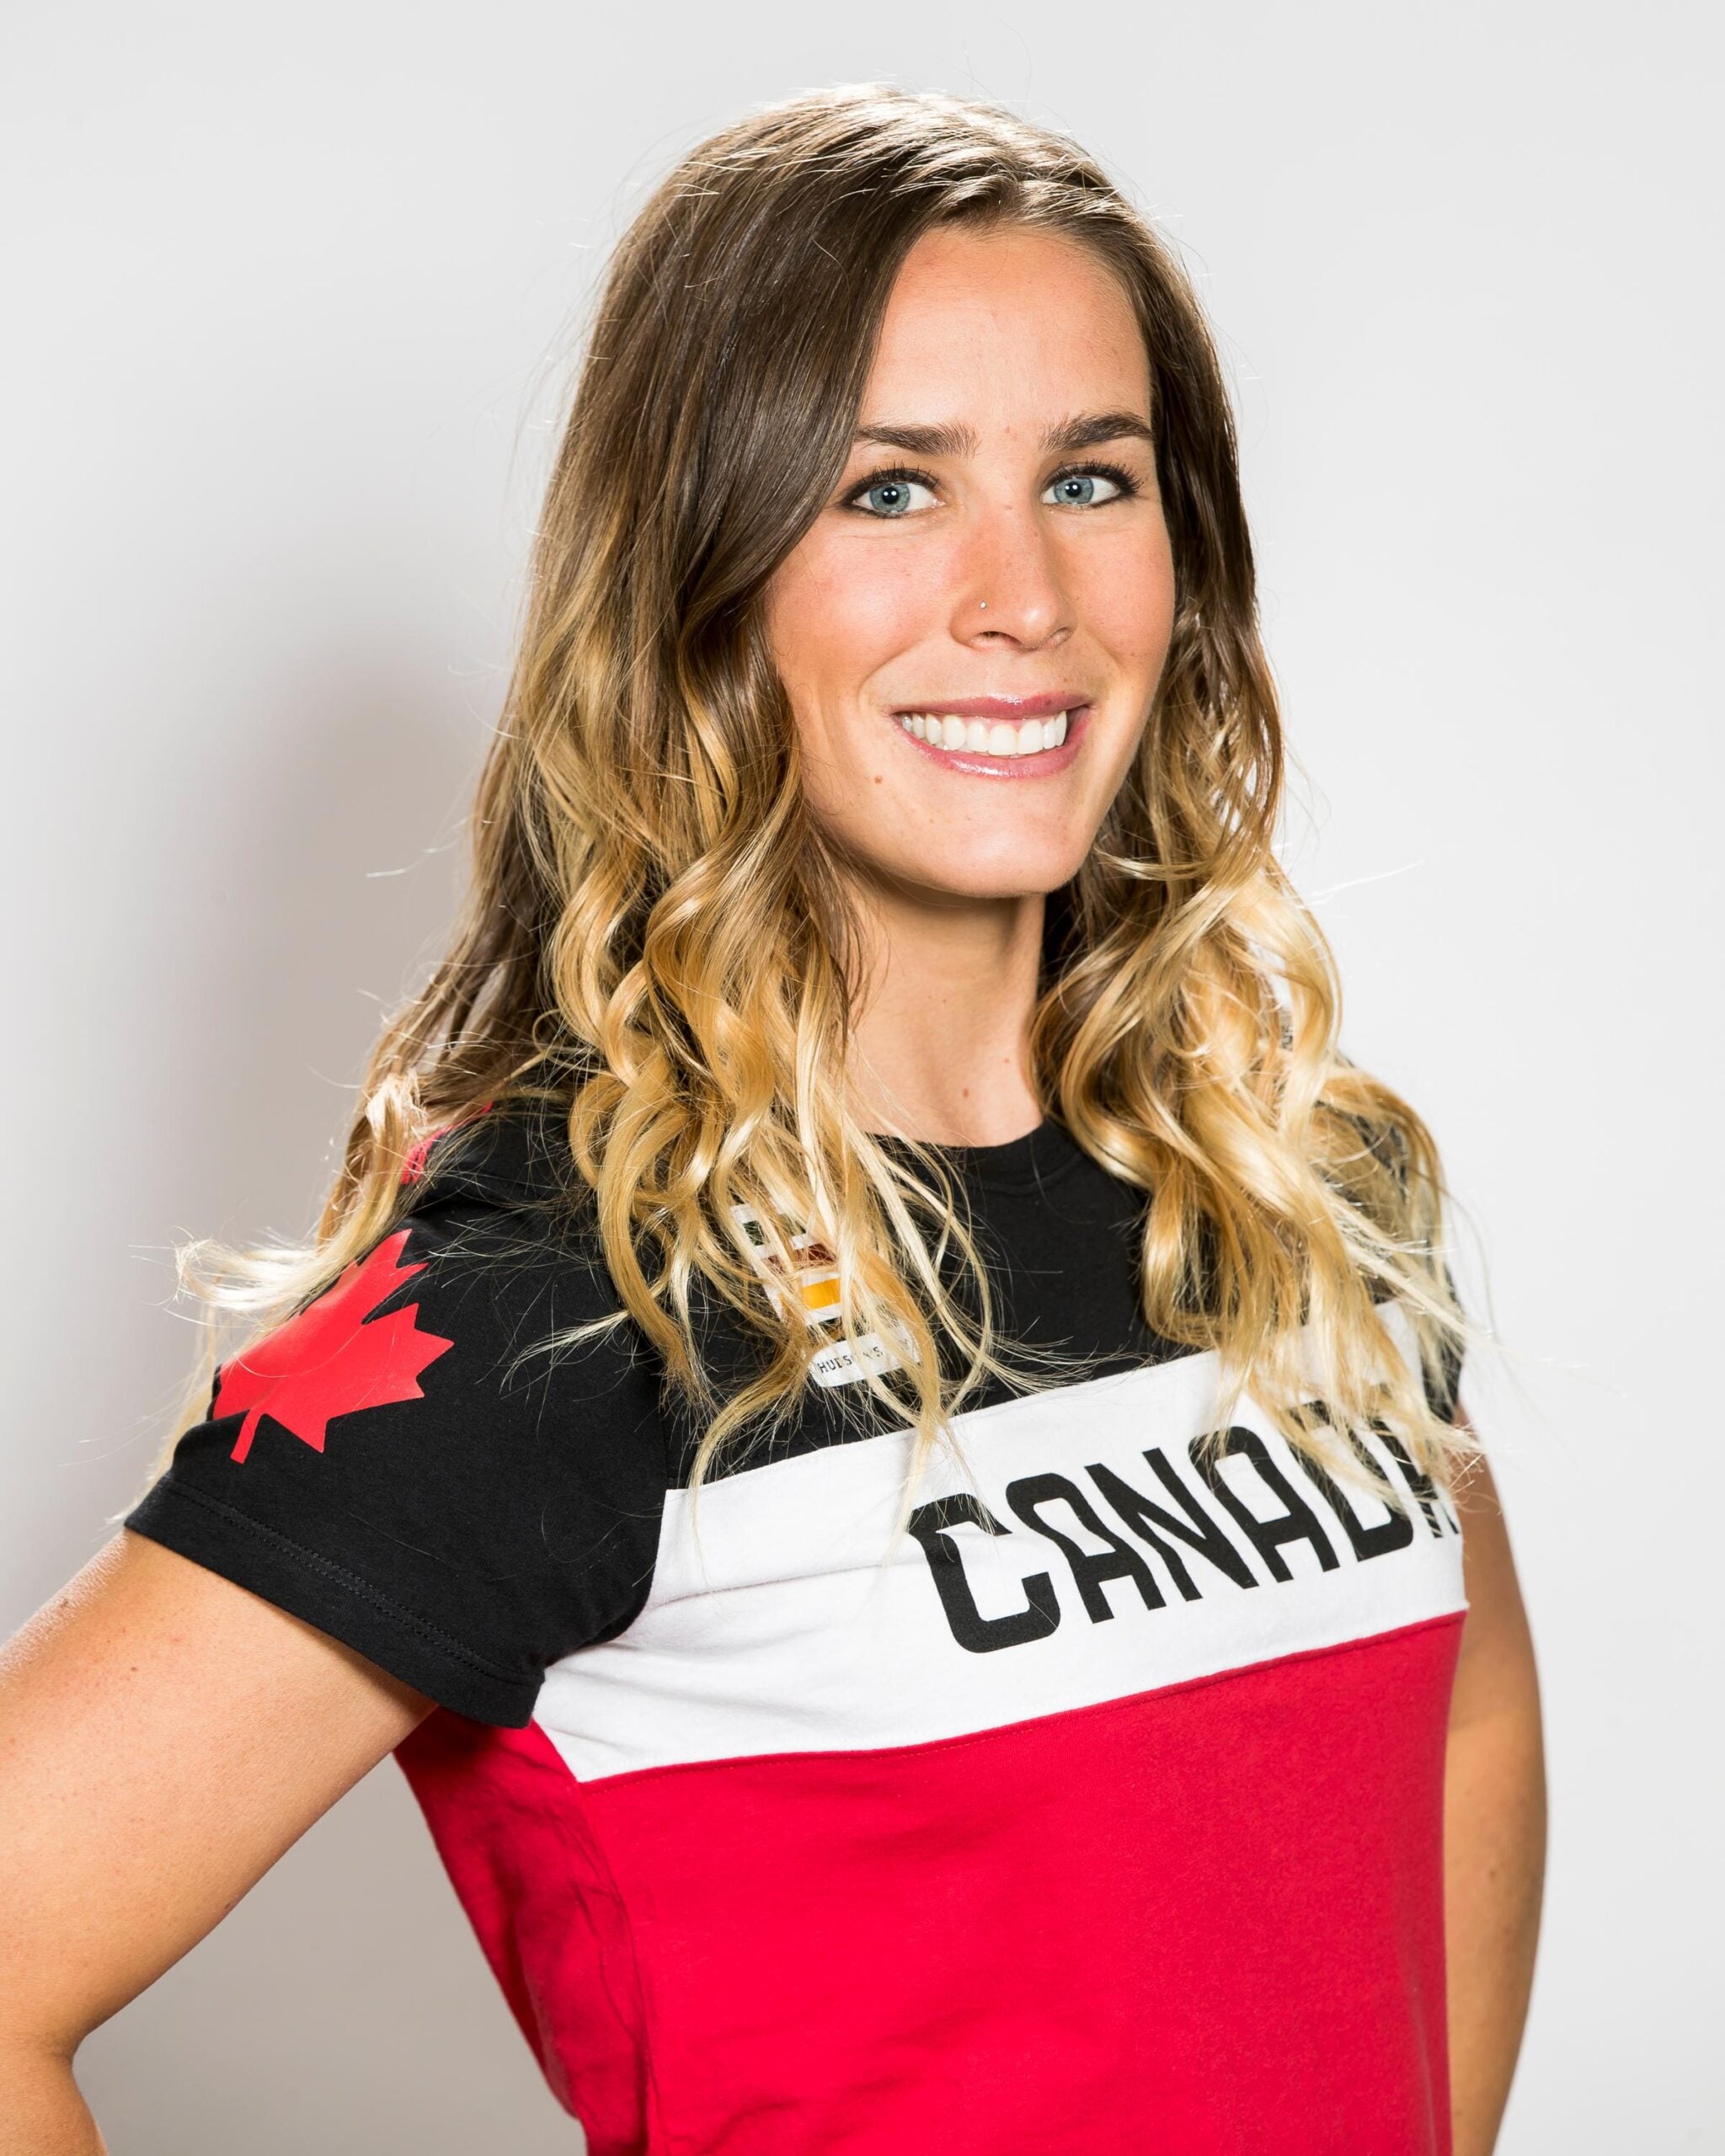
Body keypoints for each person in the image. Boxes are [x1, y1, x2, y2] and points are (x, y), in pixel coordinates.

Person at [0, 83, 1545, 2156]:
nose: (1021, 594)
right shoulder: (555, 1301)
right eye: (888, 490)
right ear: (702, 578)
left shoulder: (1298, 1189)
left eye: (1090, 476)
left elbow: (1462, 1716)